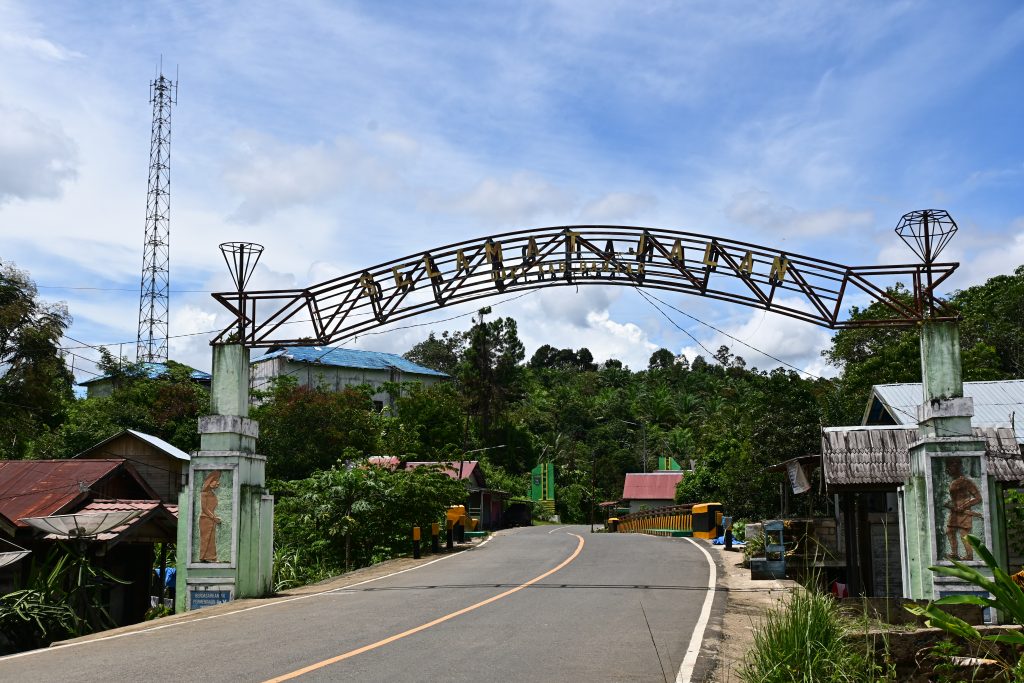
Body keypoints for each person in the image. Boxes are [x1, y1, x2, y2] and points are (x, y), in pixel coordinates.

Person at [943, 458, 982, 561]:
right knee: (949, 531)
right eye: (948, 467)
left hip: (964, 512)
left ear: (957, 467)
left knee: (964, 534)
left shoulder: (966, 482)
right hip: (954, 511)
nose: (948, 469)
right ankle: (954, 553)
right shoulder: (953, 481)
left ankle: (969, 556)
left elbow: (978, 498)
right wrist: (949, 504)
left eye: (950, 467)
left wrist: (964, 506)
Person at [199, 470, 223, 562]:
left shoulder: (212, 494)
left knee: (211, 539)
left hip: (211, 519)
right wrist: (214, 518)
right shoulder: (204, 493)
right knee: (206, 539)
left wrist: (214, 518)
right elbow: (204, 508)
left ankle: (211, 557)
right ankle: (203, 557)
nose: (218, 483)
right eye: (216, 480)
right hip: (205, 519)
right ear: (210, 482)